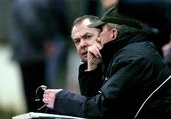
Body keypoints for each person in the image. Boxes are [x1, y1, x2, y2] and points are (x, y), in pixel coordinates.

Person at [42, 7, 171, 119]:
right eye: (76, 41)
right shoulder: (121, 55)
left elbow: (102, 109)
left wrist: (61, 98)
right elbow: (94, 107)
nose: (82, 44)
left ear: (113, 34)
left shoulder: (133, 58)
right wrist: (92, 69)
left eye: (89, 36)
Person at [9, 0, 69, 112]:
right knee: (37, 92)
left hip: (30, 53)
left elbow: (31, 23)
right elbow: (32, 23)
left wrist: (44, 42)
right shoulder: (29, 3)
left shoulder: (23, 3)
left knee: (34, 93)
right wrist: (45, 42)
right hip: (33, 53)